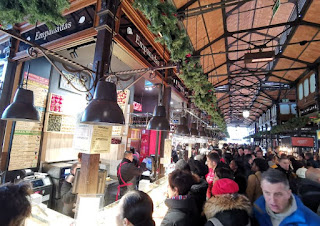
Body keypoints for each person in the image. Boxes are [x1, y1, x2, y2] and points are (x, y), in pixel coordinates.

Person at [253, 169, 320, 226]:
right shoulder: (257, 209)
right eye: (267, 193)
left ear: (289, 193)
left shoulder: (312, 221)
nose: (272, 201)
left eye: (278, 194)